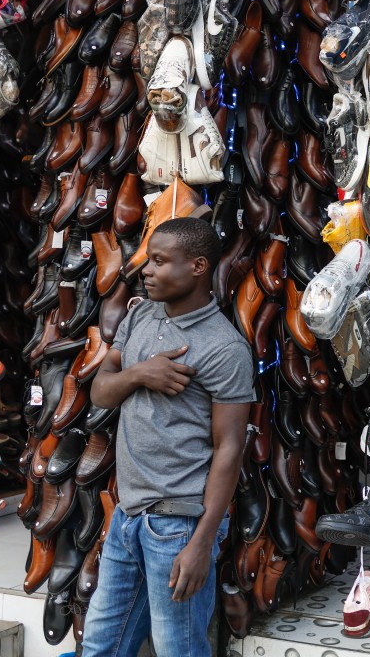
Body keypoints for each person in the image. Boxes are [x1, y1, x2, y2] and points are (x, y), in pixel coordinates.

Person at [84, 218, 254, 657]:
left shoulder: (224, 347)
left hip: (178, 526)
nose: (146, 270)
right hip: (127, 518)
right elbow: (100, 390)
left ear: (198, 266)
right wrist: (142, 373)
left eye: (160, 262)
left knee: (179, 649)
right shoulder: (140, 315)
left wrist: (202, 543)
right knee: (101, 646)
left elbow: (229, 449)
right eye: (148, 260)